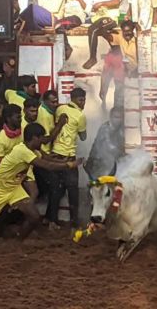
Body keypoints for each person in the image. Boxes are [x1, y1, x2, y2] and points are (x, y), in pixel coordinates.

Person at [0, 123, 81, 254]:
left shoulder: (32, 150)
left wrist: (67, 162)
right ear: (34, 138)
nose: (43, 141)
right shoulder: (22, 151)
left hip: (14, 187)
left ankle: (18, 242)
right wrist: (70, 165)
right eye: (41, 138)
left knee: (34, 217)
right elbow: (47, 165)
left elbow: (47, 158)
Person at [48, 88, 87, 228]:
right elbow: (83, 137)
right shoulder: (80, 116)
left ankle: (52, 220)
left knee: (56, 189)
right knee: (72, 190)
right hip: (69, 156)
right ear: (74, 99)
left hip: (54, 154)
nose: (83, 103)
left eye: (84, 100)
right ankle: (74, 221)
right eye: (81, 100)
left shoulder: (60, 109)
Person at [82, 0, 122, 69]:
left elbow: (116, 1)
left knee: (93, 29)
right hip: (98, 19)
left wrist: (102, 3)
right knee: (92, 28)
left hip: (110, 19)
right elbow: (92, 6)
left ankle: (92, 58)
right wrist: (94, 8)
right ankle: (112, 45)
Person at [99, 20, 137, 107]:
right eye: (125, 32)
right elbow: (105, 74)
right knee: (119, 105)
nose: (127, 34)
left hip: (135, 76)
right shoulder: (120, 38)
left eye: (129, 31)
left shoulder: (138, 41)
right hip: (121, 82)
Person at [85, 106, 124, 180]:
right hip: (98, 164)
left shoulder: (121, 128)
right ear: (110, 117)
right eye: (116, 117)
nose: (118, 120)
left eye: (120, 117)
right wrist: (124, 153)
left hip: (109, 164)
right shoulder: (105, 128)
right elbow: (110, 147)